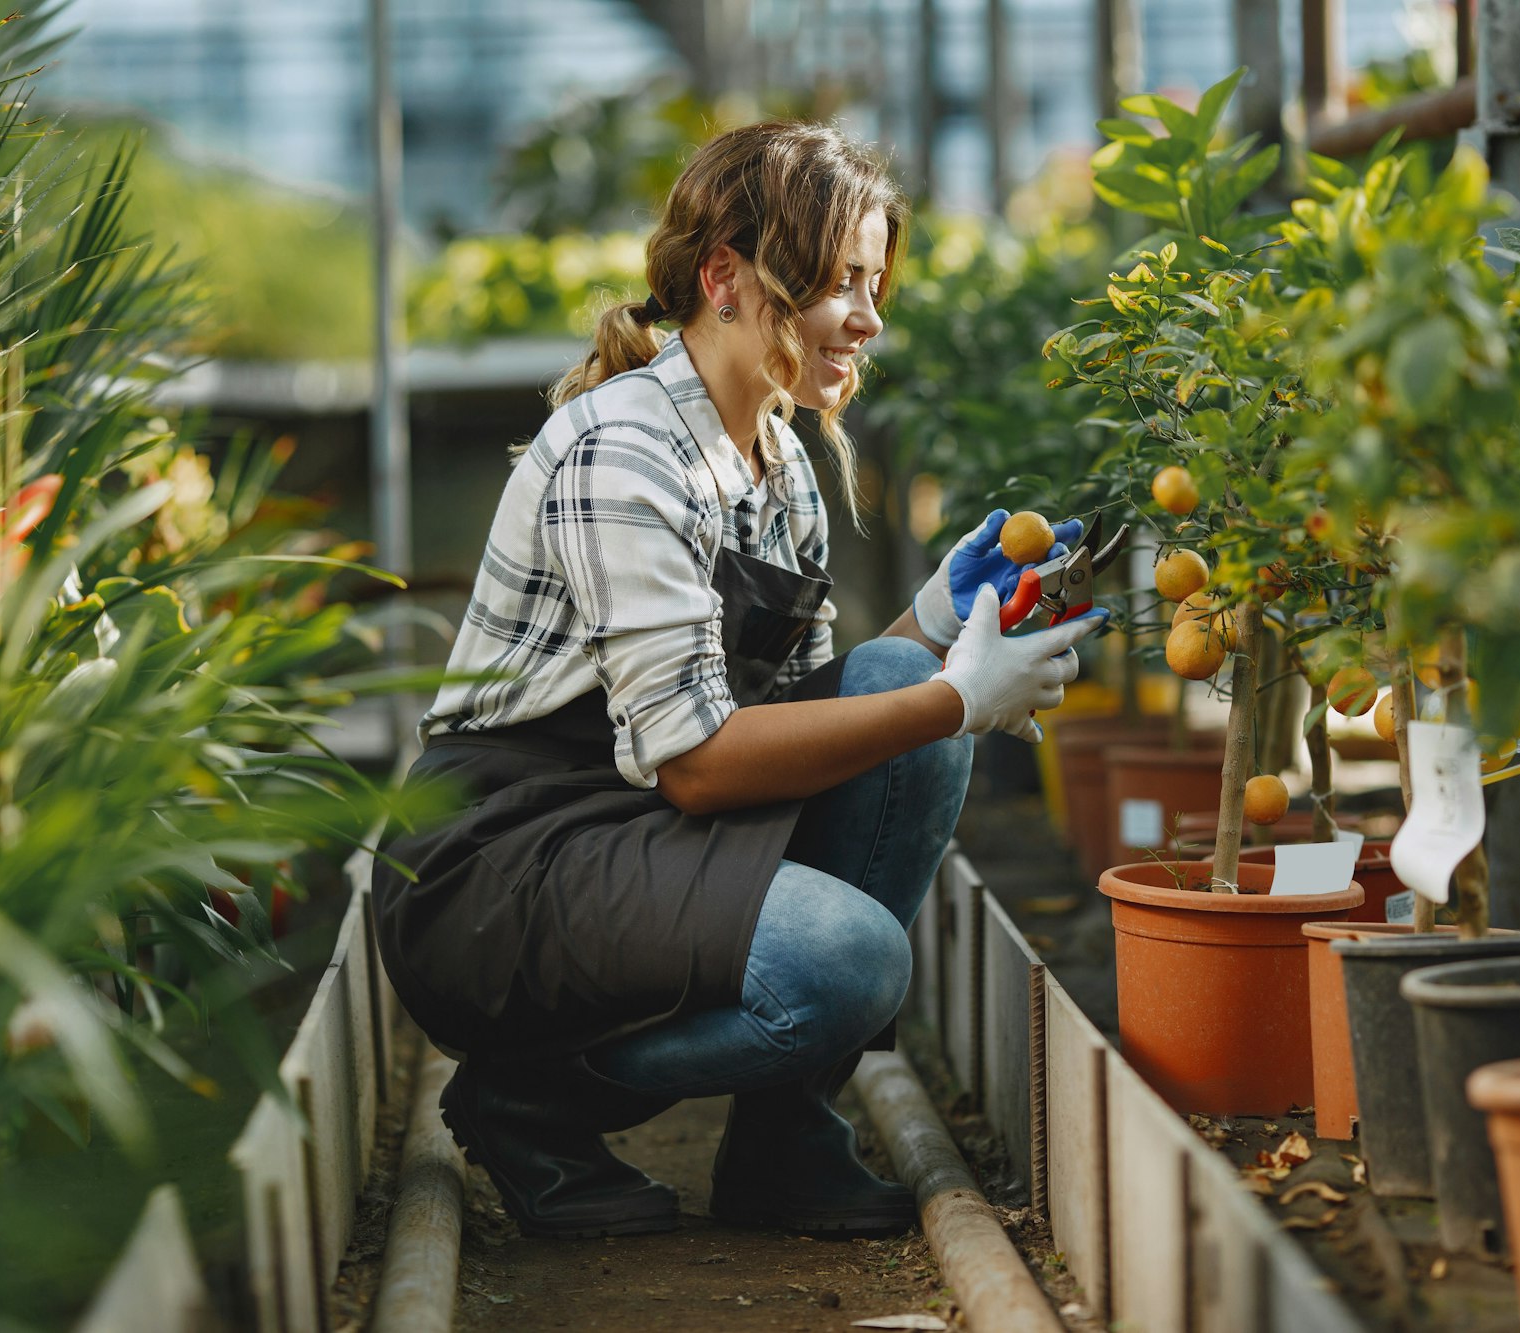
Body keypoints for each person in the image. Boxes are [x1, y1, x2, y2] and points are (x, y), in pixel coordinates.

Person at [373, 121, 1103, 1242]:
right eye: (834, 281)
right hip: (505, 861)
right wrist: (962, 696)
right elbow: (705, 767)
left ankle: (783, 1143)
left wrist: (939, 629)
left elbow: (801, 728)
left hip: (635, 831)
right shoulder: (621, 450)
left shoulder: (776, 458)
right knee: (849, 956)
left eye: (873, 280)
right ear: (723, 277)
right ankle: (530, 1101)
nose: (868, 315)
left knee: (898, 678)